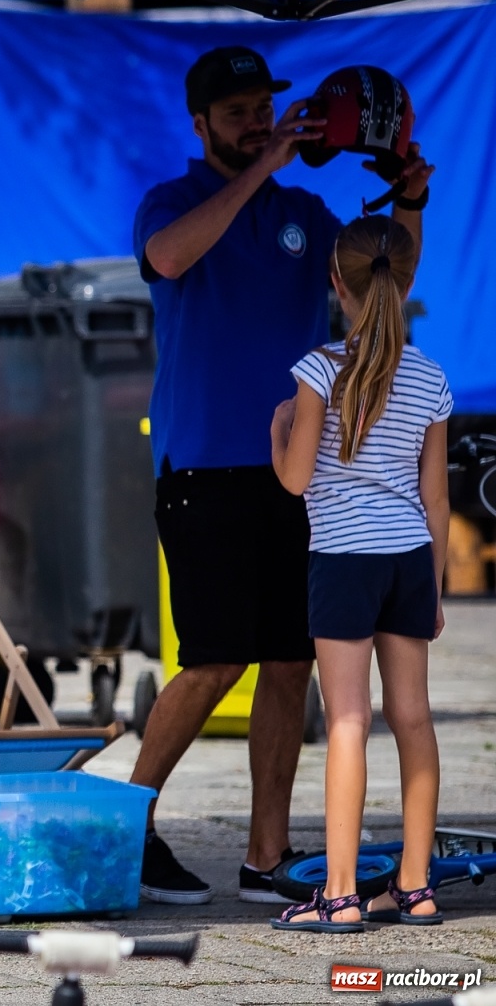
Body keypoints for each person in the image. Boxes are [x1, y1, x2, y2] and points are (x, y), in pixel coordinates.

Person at [132, 45, 432, 905]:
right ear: (200, 125)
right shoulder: (174, 200)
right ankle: (126, 825)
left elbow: (388, 275)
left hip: (301, 473)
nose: (257, 121)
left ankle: (266, 856)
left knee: (292, 660)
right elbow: (171, 258)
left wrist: (409, 193)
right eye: (236, 113)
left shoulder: (307, 211)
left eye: (263, 108)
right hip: (202, 467)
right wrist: (261, 165)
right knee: (214, 660)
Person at [269, 215, 450, 932]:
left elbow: (294, 480)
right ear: (406, 283)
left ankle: (339, 895)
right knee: (414, 719)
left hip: (343, 560)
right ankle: (415, 885)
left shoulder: (318, 371)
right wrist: (433, 587)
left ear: (335, 282)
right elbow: (435, 498)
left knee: (348, 719)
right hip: (408, 560)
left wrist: (280, 427)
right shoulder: (431, 378)